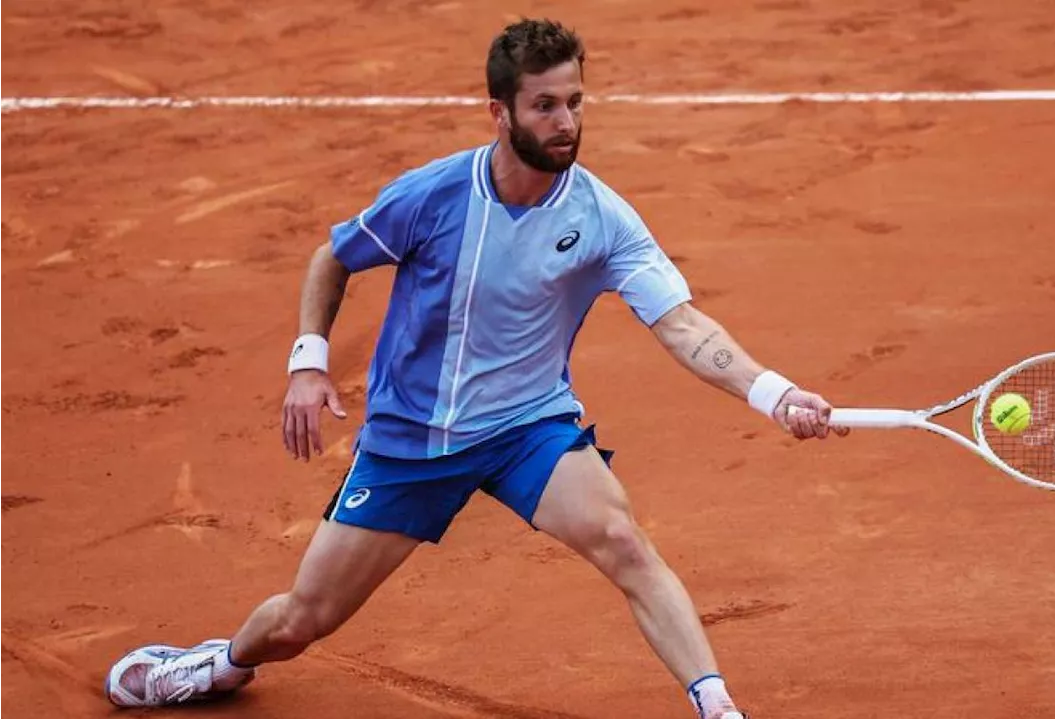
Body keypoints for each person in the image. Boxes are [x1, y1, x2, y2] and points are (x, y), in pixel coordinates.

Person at [104, 17, 847, 719]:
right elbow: (334, 255)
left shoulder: (602, 216)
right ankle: (222, 664)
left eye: (576, 102)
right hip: (410, 440)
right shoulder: (433, 195)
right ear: (500, 112)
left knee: (622, 540)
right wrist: (308, 362)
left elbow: (683, 325)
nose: (567, 122)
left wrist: (772, 392)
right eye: (546, 105)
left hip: (526, 426)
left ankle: (717, 704)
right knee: (304, 618)